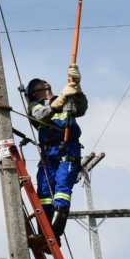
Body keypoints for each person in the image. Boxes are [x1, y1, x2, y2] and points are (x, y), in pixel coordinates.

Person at [26, 64, 88, 239]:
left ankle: (54, 233)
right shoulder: (35, 106)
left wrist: (77, 89)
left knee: (62, 189)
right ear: (34, 93)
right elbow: (40, 116)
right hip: (48, 154)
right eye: (38, 83)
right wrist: (60, 100)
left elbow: (81, 109)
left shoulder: (67, 99)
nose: (42, 82)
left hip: (68, 149)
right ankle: (43, 234)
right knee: (44, 194)